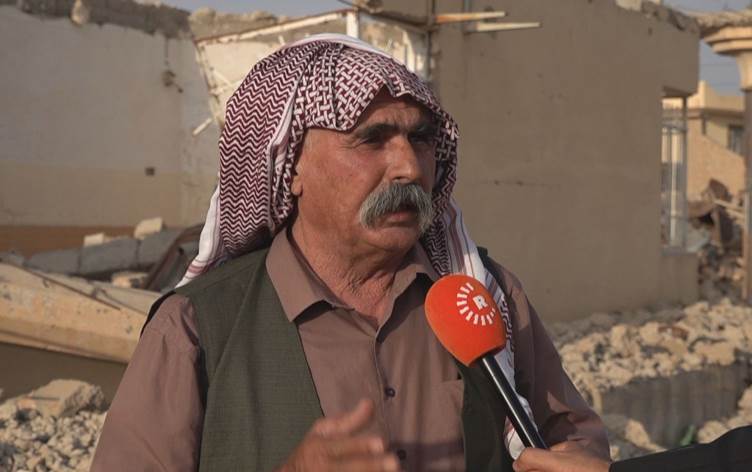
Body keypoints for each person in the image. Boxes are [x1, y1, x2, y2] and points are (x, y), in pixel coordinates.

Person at [91, 34, 610, 472]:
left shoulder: (485, 298)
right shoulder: (194, 329)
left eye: (420, 139)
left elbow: (572, 440)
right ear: (290, 167)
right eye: (372, 139)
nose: (410, 168)